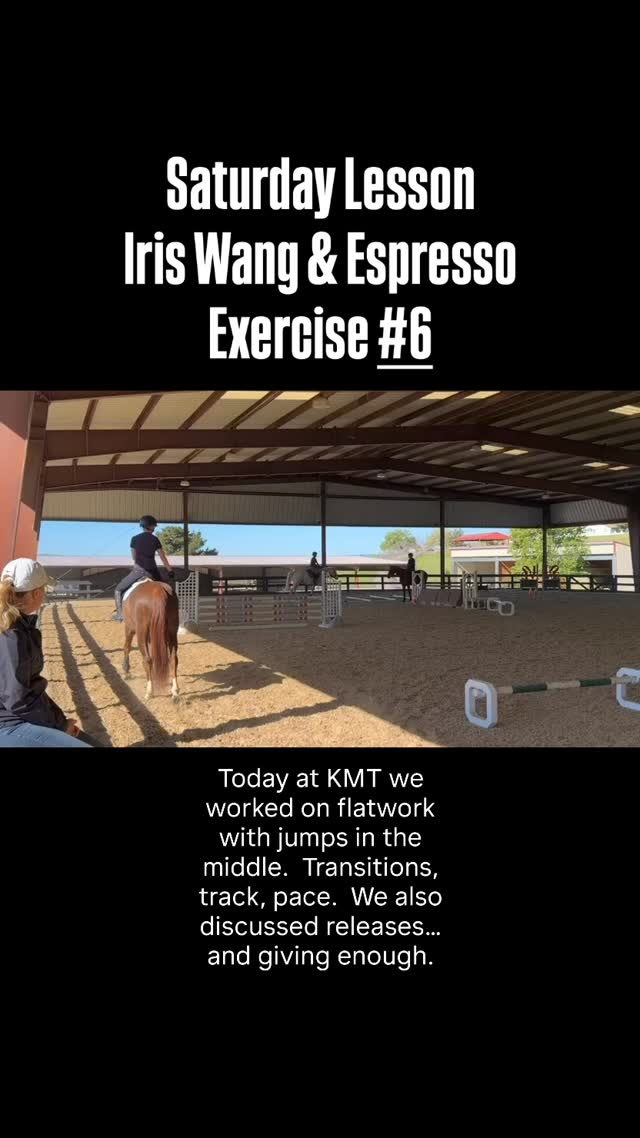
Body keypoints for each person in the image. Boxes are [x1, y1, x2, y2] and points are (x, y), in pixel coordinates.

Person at [0, 558, 108, 748]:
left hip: (17, 715)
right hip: (9, 723)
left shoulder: (18, 627)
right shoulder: (12, 635)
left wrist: (60, 721)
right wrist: (59, 726)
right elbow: (17, 698)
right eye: (44, 590)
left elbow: (29, 689)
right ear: (36, 593)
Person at [112, 515, 175, 622]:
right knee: (168, 590)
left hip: (138, 571)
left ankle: (120, 615)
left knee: (118, 590)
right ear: (152, 527)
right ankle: (172, 612)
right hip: (153, 572)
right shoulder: (155, 539)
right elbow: (162, 557)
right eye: (154, 526)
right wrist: (170, 570)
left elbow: (134, 557)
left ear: (143, 526)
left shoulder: (134, 539)